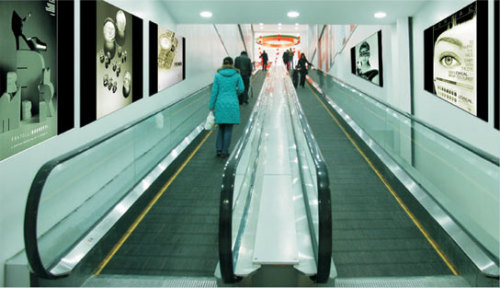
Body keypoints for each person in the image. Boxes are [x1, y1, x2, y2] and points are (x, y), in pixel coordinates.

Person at [209, 56, 245, 158]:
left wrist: (211, 106)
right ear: (232, 64)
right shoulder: (237, 75)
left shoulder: (218, 75)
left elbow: (214, 92)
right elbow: (242, 88)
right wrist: (235, 93)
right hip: (232, 103)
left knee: (221, 127)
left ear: (223, 64)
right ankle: (225, 151)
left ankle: (219, 149)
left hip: (220, 103)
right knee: (229, 128)